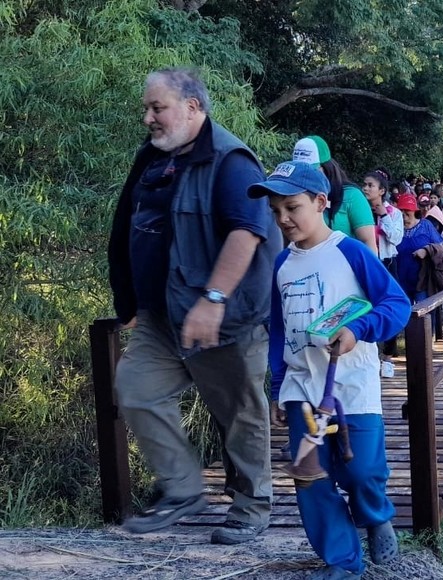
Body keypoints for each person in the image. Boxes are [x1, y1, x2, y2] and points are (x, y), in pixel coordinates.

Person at [108, 67, 280, 543]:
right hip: (162, 316)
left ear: (192, 107)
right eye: (146, 108)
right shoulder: (153, 159)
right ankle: (183, 490)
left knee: (239, 411)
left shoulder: (231, 160)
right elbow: (127, 225)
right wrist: (128, 299)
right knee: (136, 388)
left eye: (156, 107)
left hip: (225, 319)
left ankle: (252, 505)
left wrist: (214, 299)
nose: (148, 117)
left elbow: (247, 232)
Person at [251, 160, 411, 580]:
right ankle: (342, 562)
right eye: (276, 211)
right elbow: (280, 330)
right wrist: (278, 388)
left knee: (361, 472)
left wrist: (358, 330)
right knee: (310, 478)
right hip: (303, 389)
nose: (283, 219)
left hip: (352, 385)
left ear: (321, 202)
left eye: (292, 207)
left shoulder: (351, 251)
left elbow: (397, 305)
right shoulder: (282, 265)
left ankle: (375, 515)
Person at [292, 135, 377, 255]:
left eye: (312, 170)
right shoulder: (297, 196)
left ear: (326, 168)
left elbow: (369, 243)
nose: (305, 176)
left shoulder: (351, 196)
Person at [362, 168, 405, 378]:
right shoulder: (360, 211)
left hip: (388, 263)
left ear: (381, 190)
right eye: (365, 185)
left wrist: (383, 216)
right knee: (367, 308)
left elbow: (397, 238)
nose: (366, 189)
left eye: (370, 185)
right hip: (368, 264)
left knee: (389, 308)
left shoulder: (394, 213)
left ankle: (388, 357)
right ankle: (371, 356)